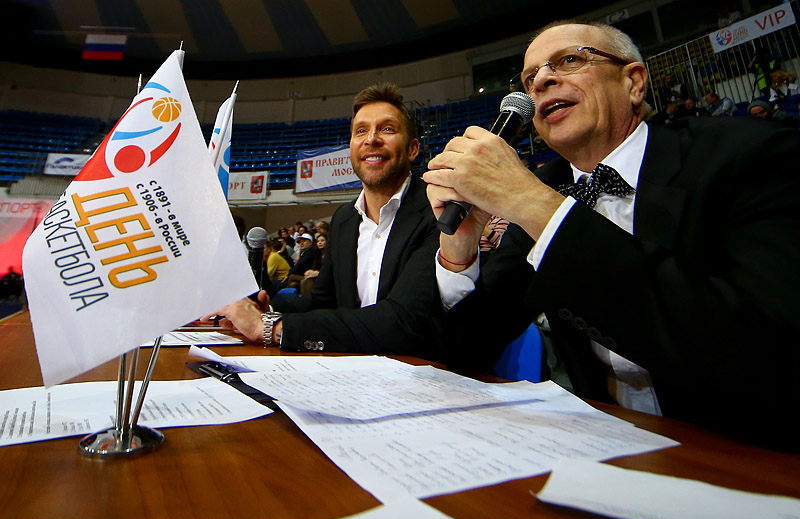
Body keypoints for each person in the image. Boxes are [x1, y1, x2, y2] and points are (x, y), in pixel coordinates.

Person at [423, 21, 800, 451]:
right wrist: (459, 248)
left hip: (754, 458)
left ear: (633, 81)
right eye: (530, 78)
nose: (542, 80)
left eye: (569, 60)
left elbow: (766, 352)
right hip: (606, 458)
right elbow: (466, 348)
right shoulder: (549, 187)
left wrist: (537, 207)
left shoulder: (753, 155)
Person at [209, 82, 441, 356]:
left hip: (419, 376)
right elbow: (324, 302)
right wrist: (266, 309)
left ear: (413, 149)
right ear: (352, 148)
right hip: (350, 371)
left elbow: (404, 320)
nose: (371, 139)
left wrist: (271, 326)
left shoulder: (436, 211)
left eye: (387, 129)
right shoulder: (344, 219)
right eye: (361, 131)